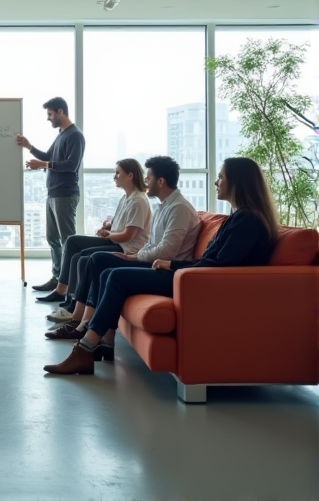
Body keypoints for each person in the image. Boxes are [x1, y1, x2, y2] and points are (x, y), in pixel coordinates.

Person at [44, 156, 278, 373]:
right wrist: (169, 264)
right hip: (192, 277)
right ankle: (101, 343)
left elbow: (218, 266)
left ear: (238, 183)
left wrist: (172, 265)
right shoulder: (240, 217)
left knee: (114, 276)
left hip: (196, 283)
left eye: (221, 177)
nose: (217, 182)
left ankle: (85, 348)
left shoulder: (246, 221)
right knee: (108, 272)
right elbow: (213, 262)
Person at [46, 155, 200, 340]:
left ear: (160, 181)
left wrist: (135, 257)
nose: (145, 181)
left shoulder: (178, 208)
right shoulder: (163, 206)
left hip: (166, 270)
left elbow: (166, 252)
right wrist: (134, 253)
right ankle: (81, 322)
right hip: (151, 261)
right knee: (97, 260)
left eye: (148, 177)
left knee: (100, 264)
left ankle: (84, 326)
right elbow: (152, 243)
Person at [37, 159, 151, 323]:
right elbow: (122, 224)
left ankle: (72, 305)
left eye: (118, 172)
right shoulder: (126, 198)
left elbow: (128, 236)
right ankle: (62, 289)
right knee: (73, 241)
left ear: (130, 175)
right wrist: (110, 226)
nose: (114, 176)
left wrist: (107, 234)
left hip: (125, 247)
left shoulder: (138, 201)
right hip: (117, 242)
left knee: (80, 258)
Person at [17, 97, 85, 293]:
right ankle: (57, 278)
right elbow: (48, 157)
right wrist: (29, 147)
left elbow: (71, 165)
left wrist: (44, 165)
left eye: (50, 114)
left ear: (60, 112)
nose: (48, 119)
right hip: (53, 193)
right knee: (52, 238)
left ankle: (70, 282)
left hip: (65, 194)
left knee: (67, 241)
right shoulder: (61, 134)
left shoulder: (75, 135)